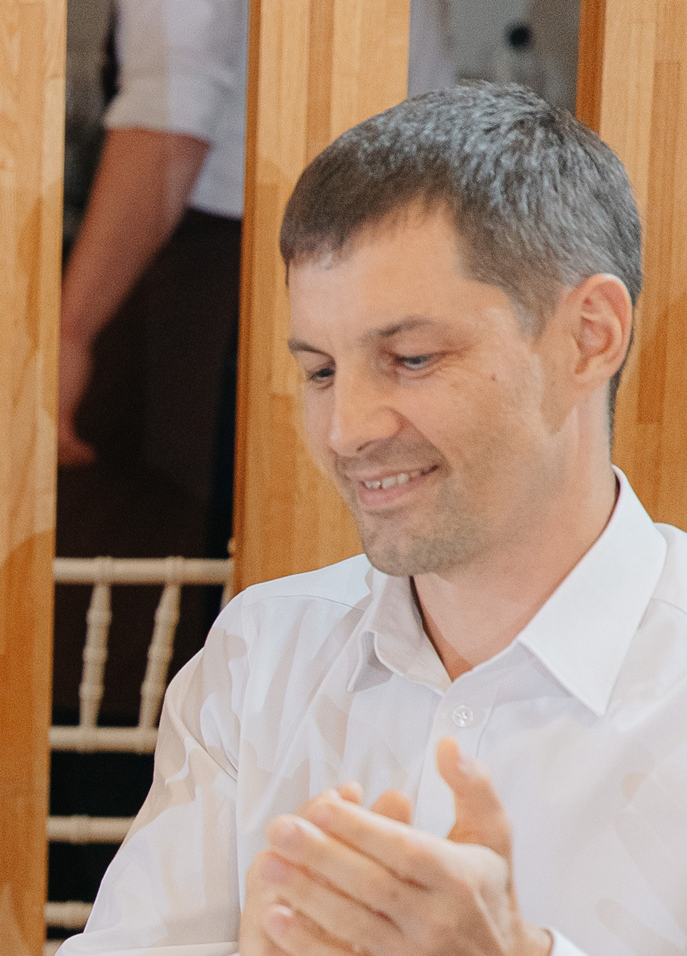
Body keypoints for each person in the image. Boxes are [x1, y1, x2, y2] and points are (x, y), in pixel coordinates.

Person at [34, 84, 687, 956]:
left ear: (588, 334)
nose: (348, 429)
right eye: (322, 367)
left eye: (412, 357)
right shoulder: (269, 654)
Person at [55, 0, 452, 555]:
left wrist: (71, 333)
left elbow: (171, 111)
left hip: (225, 262)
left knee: (152, 553)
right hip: (395, 242)